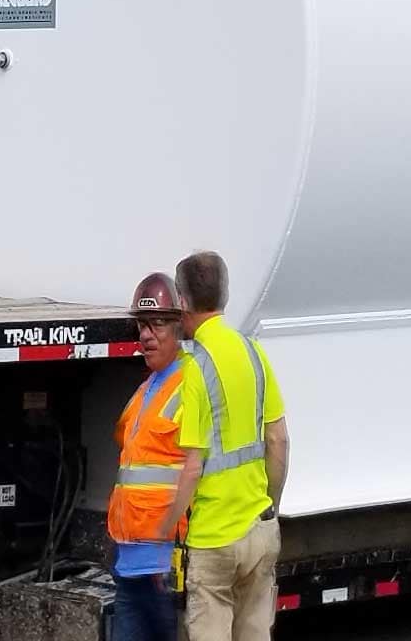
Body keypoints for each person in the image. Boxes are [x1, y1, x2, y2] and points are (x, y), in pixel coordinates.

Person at [157, 251, 290, 641]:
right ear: (225, 296)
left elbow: (193, 466)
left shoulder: (195, 364)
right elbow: (278, 441)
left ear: (182, 302)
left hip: (214, 540)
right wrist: (271, 507)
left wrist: (165, 532)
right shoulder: (254, 352)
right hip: (259, 531)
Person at [107, 273, 190, 641]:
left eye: (157, 325)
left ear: (178, 328)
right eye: (142, 325)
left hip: (164, 570)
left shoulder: (189, 388)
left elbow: (198, 474)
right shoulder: (145, 390)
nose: (145, 335)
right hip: (129, 567)